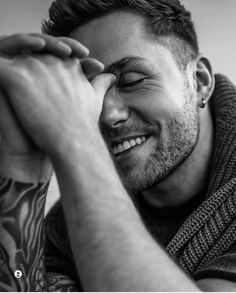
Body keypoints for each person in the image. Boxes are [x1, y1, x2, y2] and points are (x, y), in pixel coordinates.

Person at [0, 0, 236, 291]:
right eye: (86, 92)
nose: (106, 114)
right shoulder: (69, 225)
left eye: (133, 80)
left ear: (199, 81)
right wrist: (22, 161)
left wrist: (76, 139)